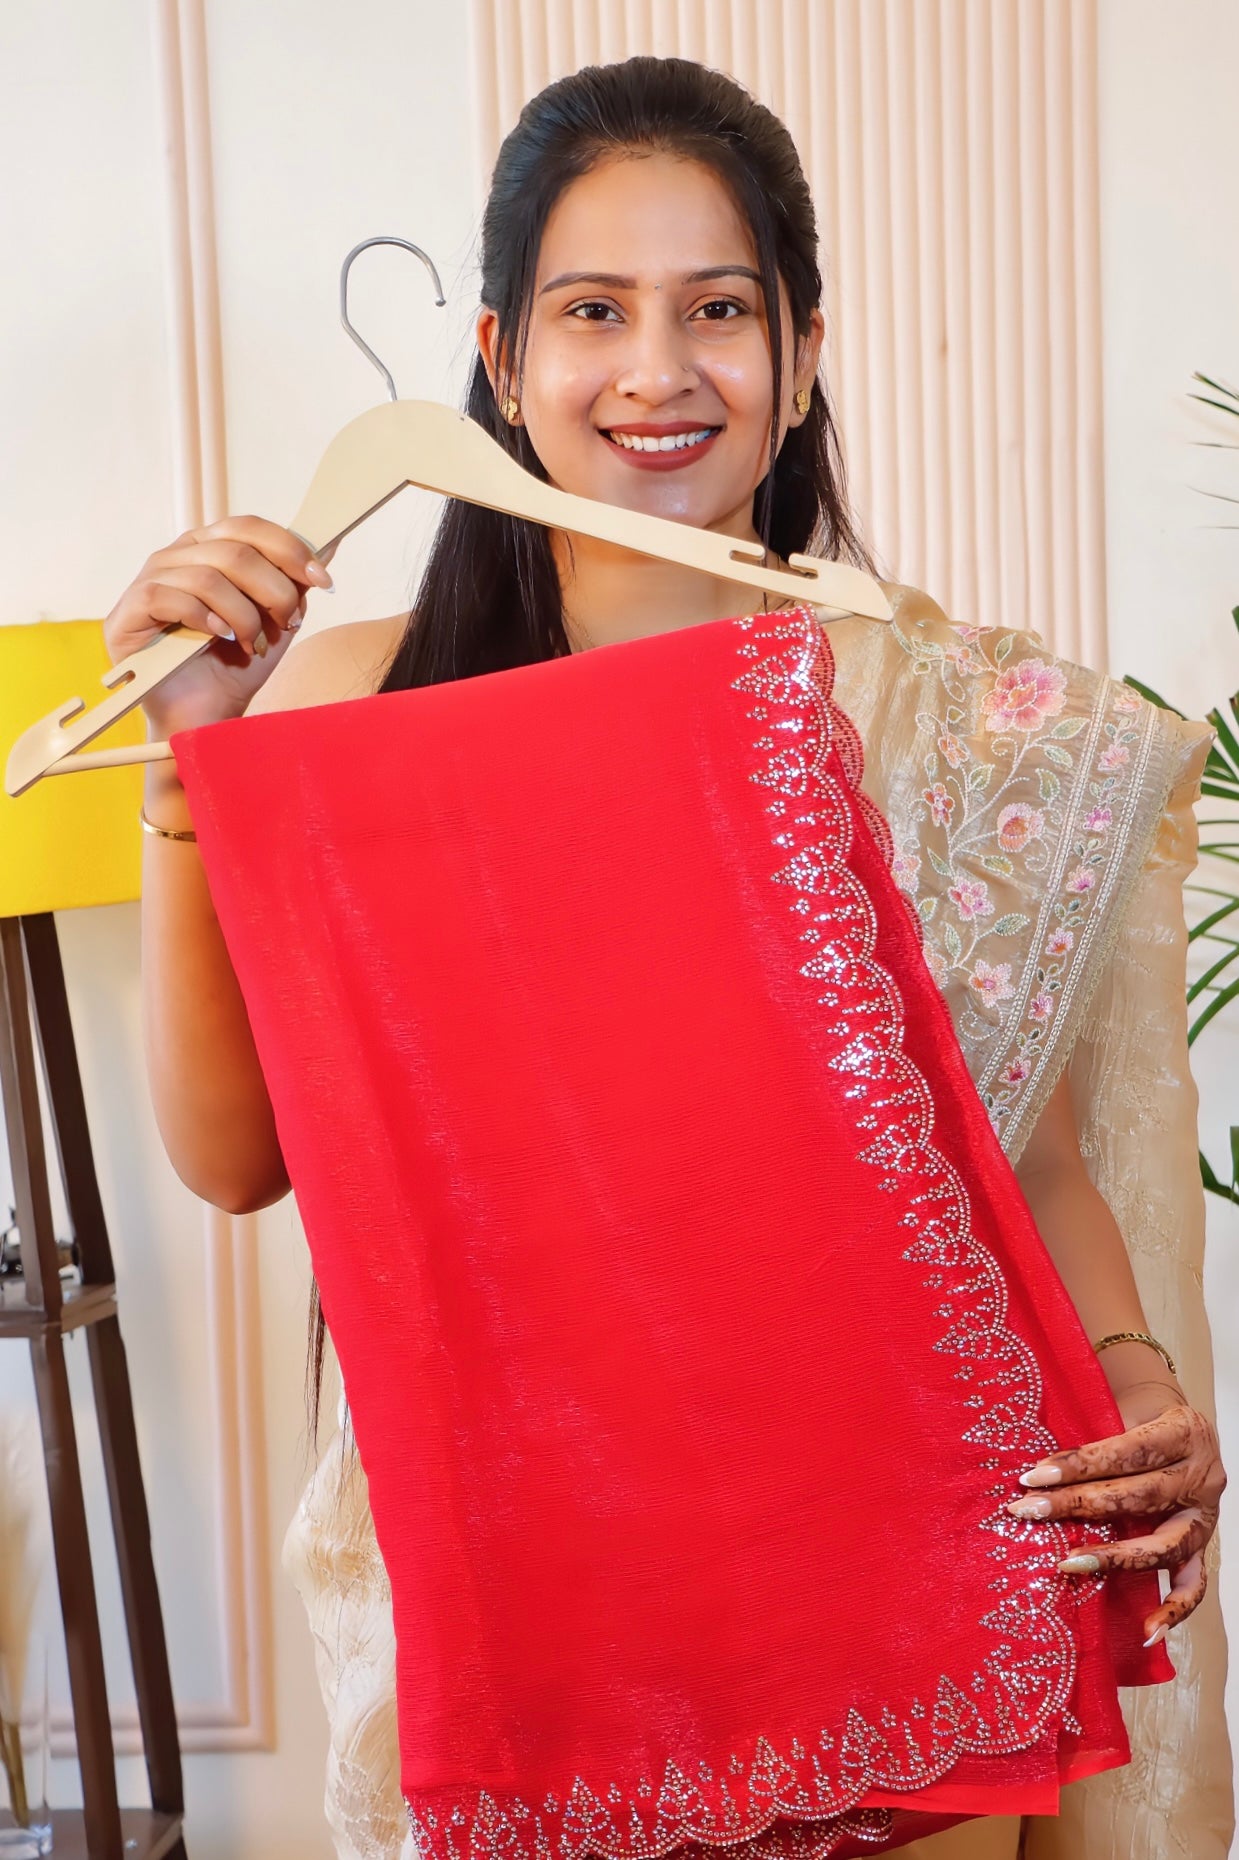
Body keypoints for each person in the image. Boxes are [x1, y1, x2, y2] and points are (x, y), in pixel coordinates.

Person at [104, 54, 1230, 1860]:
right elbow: (236, 1162)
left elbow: (1011, 1150)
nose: (655, 368)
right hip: (520, 1589)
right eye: (592, 312)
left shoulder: (941, 711)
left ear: (796, 359)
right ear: (499, 361)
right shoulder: (347, 697)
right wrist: (192, 760)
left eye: (718, 308)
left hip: (898, 1568)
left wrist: (1143, 1380)